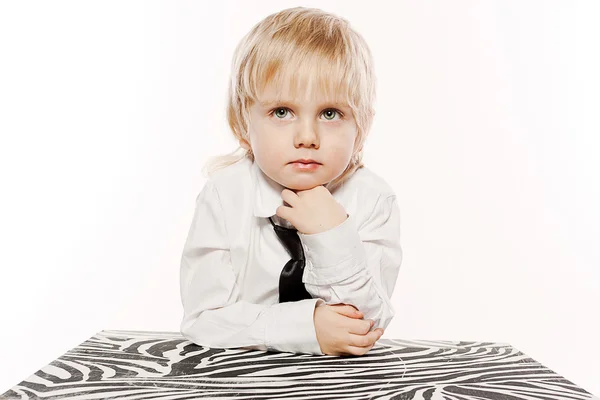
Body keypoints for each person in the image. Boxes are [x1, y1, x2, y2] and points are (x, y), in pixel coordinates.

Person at [179, 6, 402, 357]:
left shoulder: (373, 198)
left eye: (330, 113)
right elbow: (204, 318)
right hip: (243, 379)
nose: (308, 136)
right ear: (241, 123)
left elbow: (366, 324)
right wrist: (304, 327)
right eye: (282, 112)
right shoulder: (225, 194)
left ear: (361, 127)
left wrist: (330, 234)